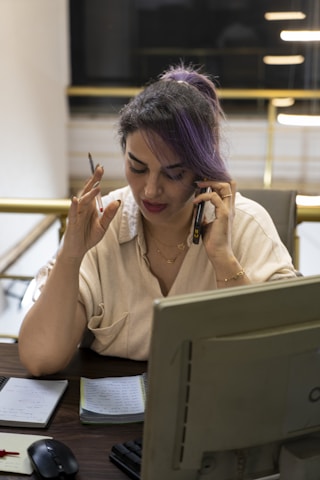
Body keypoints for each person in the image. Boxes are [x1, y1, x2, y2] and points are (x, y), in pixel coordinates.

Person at [18, 64, 296, 376]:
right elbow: (40, 359)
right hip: (109, 418)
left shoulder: (247, 224)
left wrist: (222, 259)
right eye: (137, 168)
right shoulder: (102, 224)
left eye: (174, 173)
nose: (150, 190)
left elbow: (278, 363)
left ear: (203, 171)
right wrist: (71, 254)